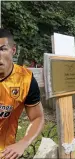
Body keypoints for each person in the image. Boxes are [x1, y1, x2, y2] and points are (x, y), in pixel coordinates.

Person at [0, 29, 45, 158]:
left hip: (4, 152)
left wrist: (24, 142)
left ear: (13, 50)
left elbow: (38, 117)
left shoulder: (25, 80)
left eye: (2, 49)